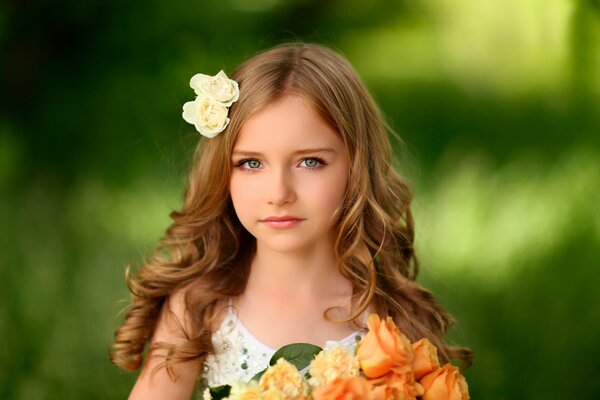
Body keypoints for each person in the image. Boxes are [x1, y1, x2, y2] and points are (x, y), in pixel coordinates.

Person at [110, 42, 472, 400]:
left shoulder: (386, 323)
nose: (279, 192)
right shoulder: (199, 309)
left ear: (357, 166)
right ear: (223, 172)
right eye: (251, 163)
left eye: (309, 162)